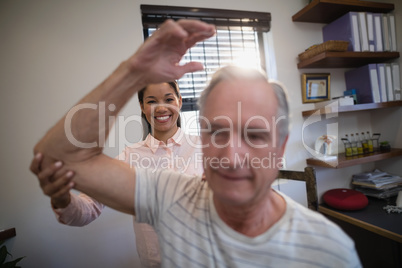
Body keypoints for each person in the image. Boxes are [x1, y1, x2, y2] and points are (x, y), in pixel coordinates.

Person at [30, 19, 361, 267]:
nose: (232, 156)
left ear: (281, 145)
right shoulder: (170, 195)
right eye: (217, 132)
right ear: (203, 139)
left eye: (254, 134)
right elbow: (62, 157)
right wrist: (133, 71)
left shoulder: (328, 250)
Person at [34, 80, 203, 267]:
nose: (161, 108)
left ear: (179, 101)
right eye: (152, 101)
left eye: (169, 99)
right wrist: (62, 199)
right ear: (142, 106)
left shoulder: (206, 148)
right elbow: (87, 209)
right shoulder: (129, 156)